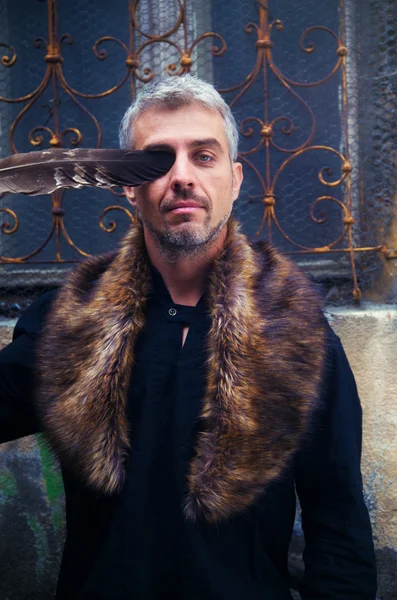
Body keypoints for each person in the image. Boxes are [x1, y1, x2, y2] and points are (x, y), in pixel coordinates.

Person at [0, 75, 376, 599]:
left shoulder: (296, 331)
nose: (181, 177)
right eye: (157, 160)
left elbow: (338, 521)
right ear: (128, 184)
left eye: (204, 156)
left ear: (235, 178)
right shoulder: (69, 319)